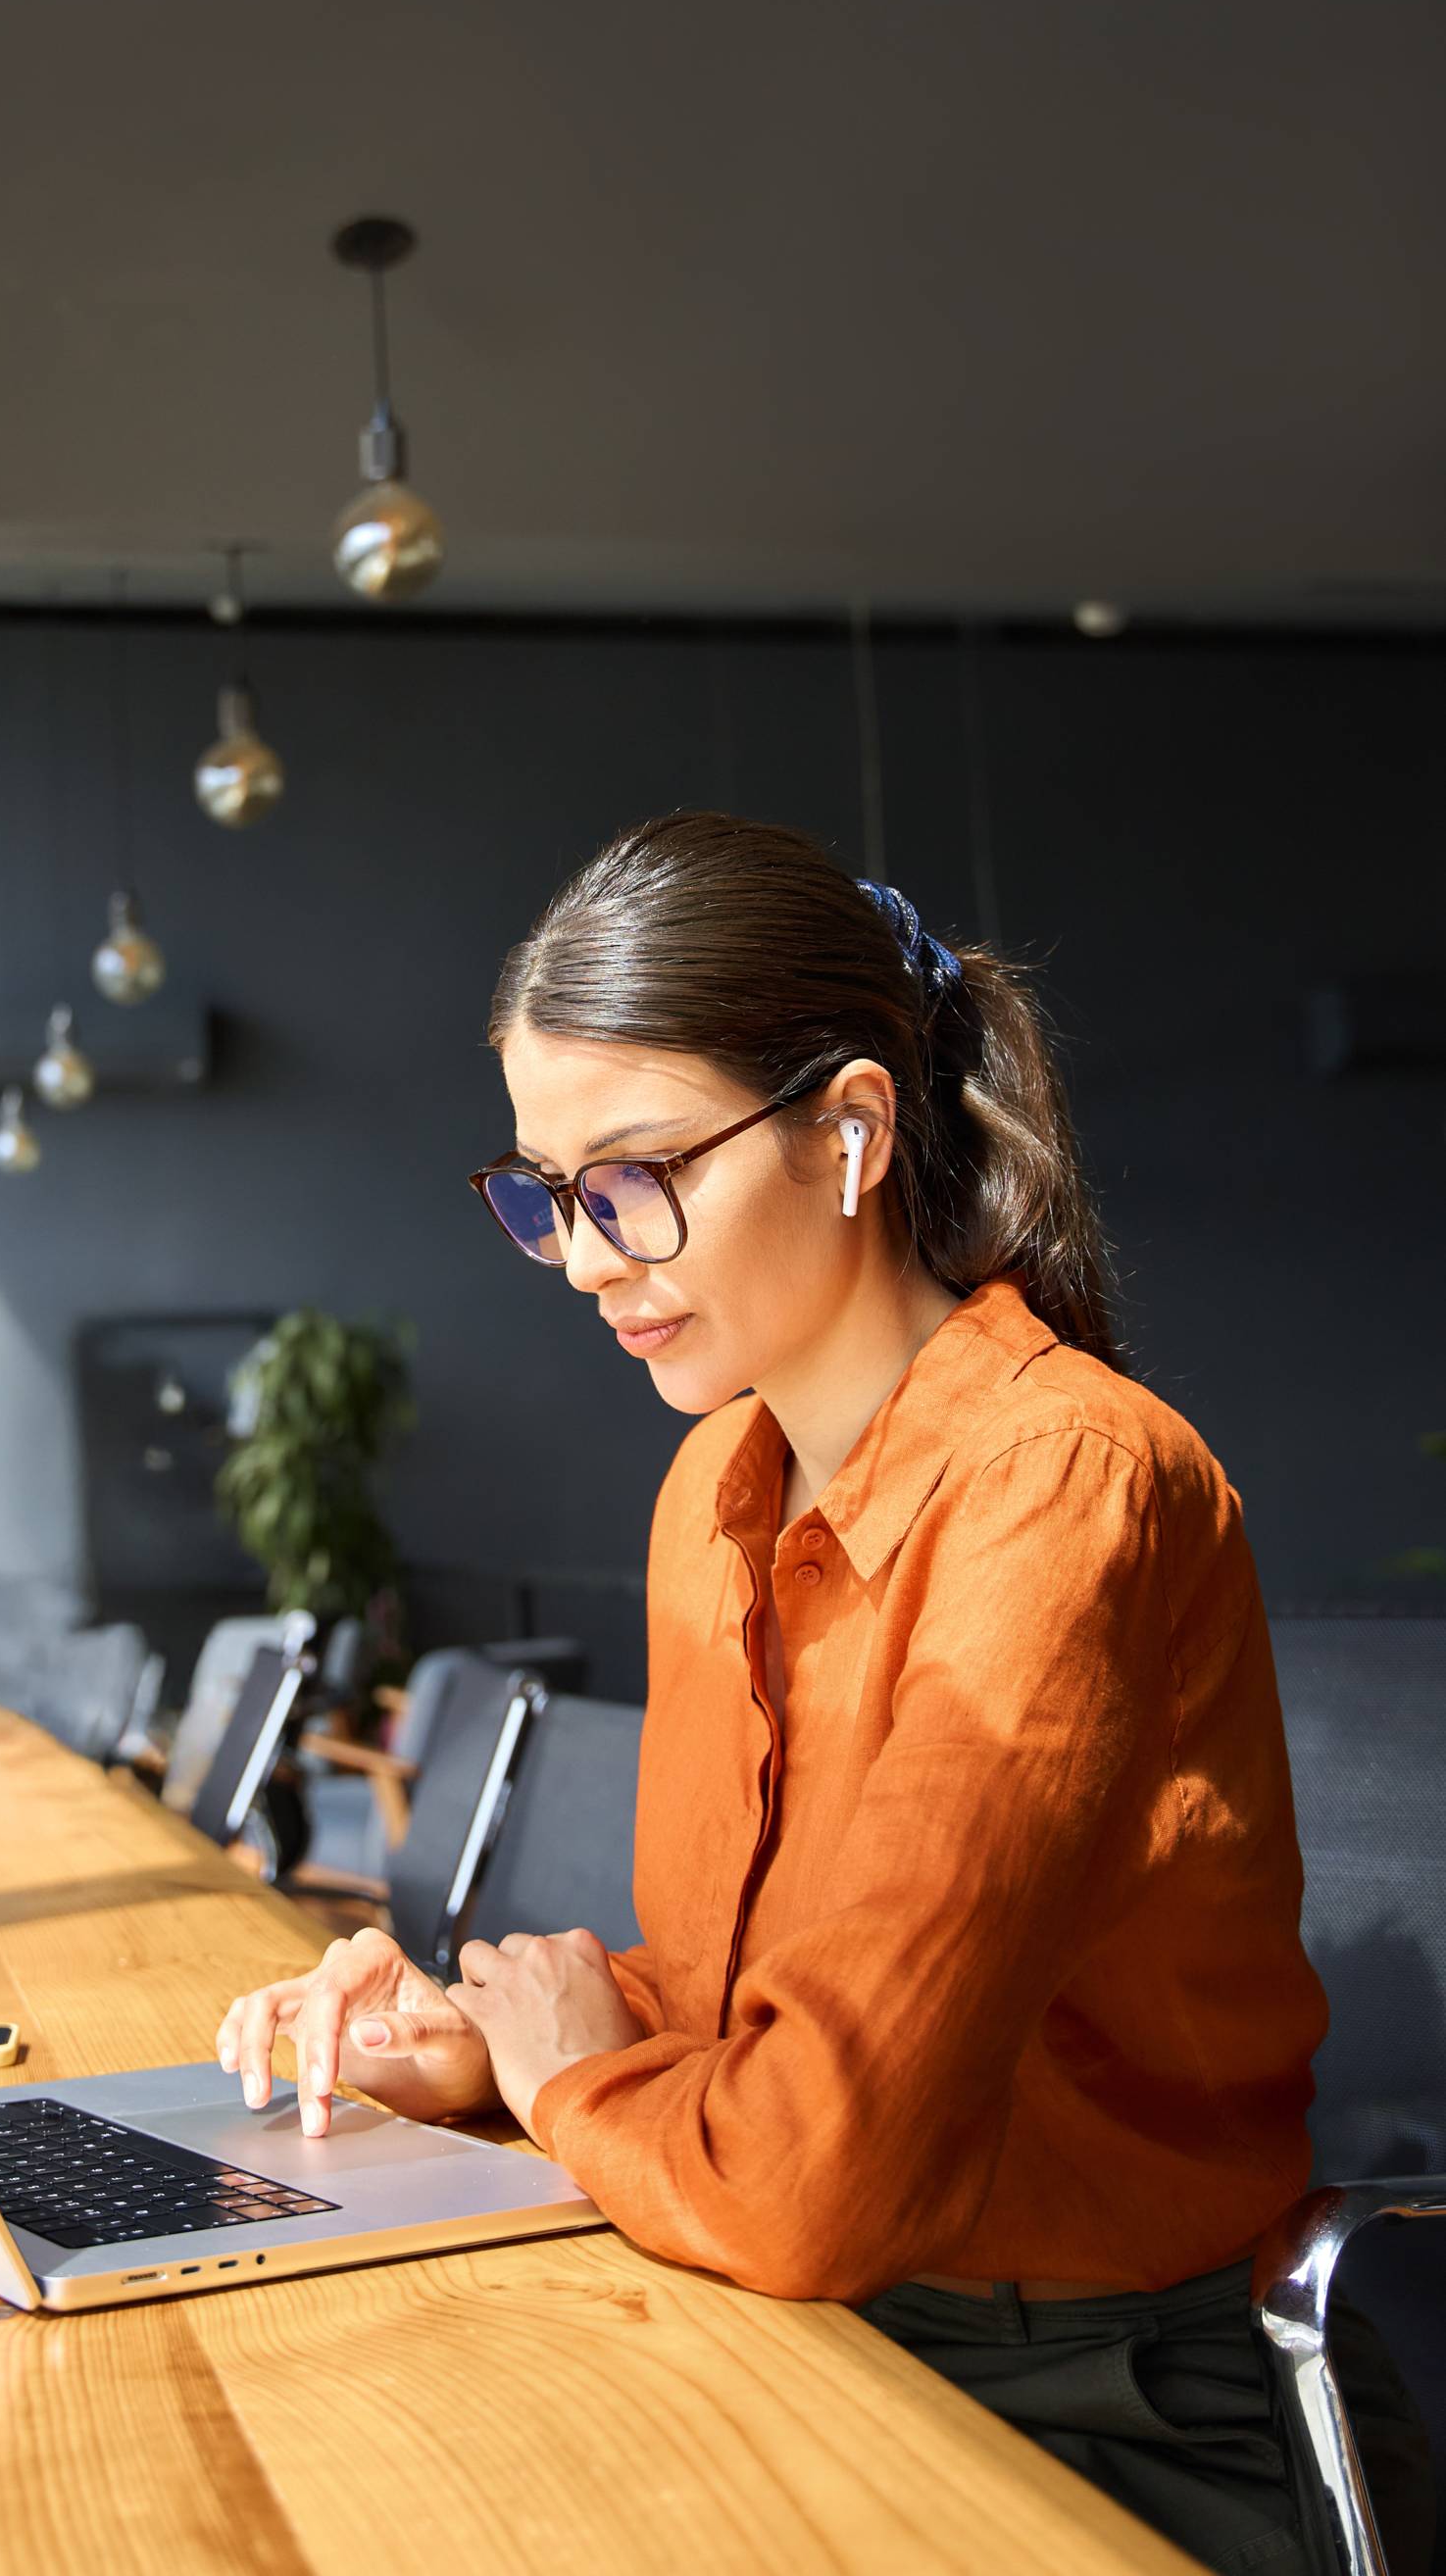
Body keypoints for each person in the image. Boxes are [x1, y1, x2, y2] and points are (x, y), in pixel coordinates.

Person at [216, 813, 1433, 2576]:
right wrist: (489, 2042)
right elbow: (758, 2002)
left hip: (1098, 2414)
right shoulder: (715, 1483)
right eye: (545, 1195)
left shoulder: (1061, 1485)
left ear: (849, 1128)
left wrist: (572, 2092)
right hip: (809, 2326)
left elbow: (818, 2173)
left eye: (632, 1177)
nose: (580, 1254)